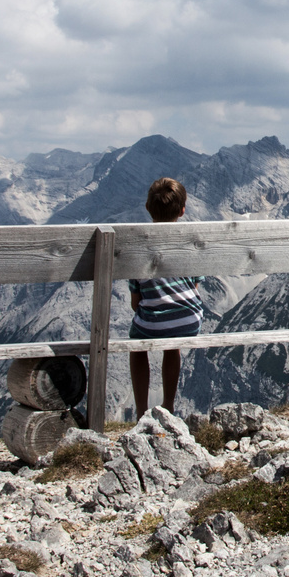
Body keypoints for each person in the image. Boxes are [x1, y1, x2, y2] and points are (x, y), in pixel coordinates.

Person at [129, 177, 206, 416]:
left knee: (136, 346)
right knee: (173, 343)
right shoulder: (190, 242)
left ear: (147, 207)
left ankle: (141, 411)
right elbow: (195, 287)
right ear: (182, 211)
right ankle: (169, 405)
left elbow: (135, 303)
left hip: (153, 322)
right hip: (189, 320)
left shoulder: (139, 246)